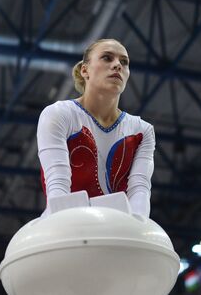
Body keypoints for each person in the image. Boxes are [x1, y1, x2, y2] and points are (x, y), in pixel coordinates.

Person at [37, 38, 155, 217]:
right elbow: (58, 186)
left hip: (116, 230)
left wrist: (137, 231)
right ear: (85, 70)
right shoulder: (59, 114)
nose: (117, 65)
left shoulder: (141, 130)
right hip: (62, 224)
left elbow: (140, 190)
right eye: (107, 58)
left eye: (124, 62)